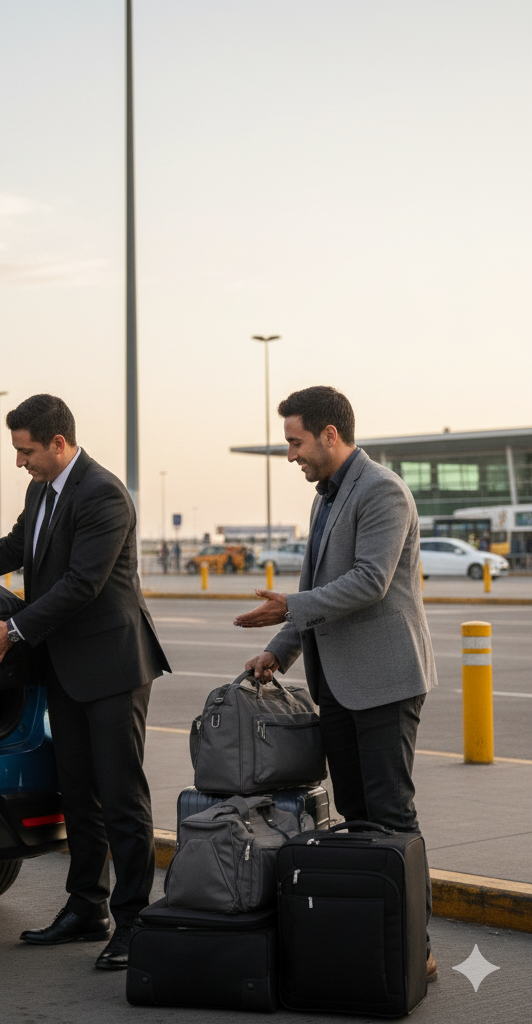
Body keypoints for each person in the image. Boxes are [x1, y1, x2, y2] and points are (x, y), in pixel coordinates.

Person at [233, 385, 439, 981]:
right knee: (356, 815)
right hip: (339, 684)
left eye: (296, 441)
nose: (291, 454)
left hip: (385, 680)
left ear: (330, 434)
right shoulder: (326, 497)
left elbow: (369, 582)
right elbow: (318, 590)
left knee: (393, 816)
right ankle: (374, 939)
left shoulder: (382, 491)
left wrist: (287, 608)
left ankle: (414, 949)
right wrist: (278, 651)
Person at [0, 394, 170, 971]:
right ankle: (86, 908)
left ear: (58, 443)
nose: (20, 462)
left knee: (121, 798)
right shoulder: (41, 490)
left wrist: (14, 630)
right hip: (66, 668)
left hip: (111, 668)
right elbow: (15, 549)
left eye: (26, 451)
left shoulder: (103, 493)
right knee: (77, 793)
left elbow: (83, 584)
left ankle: (132, 922)